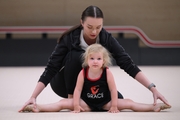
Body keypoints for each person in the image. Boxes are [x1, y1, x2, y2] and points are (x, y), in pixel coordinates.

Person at [19, 5, 170, 112]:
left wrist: (153, 88)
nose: (94, 31)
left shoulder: (105, 38)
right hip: (65, 84)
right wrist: (33, 96)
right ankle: (72, 100)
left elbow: (127, 63)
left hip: (92, 85)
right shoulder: (70, 38)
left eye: (98, 27)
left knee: (119, 100)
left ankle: (85, 101)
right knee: (77, 56)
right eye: (90, 27)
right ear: (82, 22)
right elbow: (51, 67)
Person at [19, 44, 171, 113]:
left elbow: (113, 89)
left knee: (129, 103)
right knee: (63, 103)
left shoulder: (107, 72)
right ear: (87, 60)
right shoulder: (83, 73)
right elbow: (77, 89)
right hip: (88, 103)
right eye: (92, 59)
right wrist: (77, 105)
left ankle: (153, 107)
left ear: (103, 61)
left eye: (99, 59)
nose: (95, 61)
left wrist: (113, 106)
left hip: (105, 102)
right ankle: (37, 108)